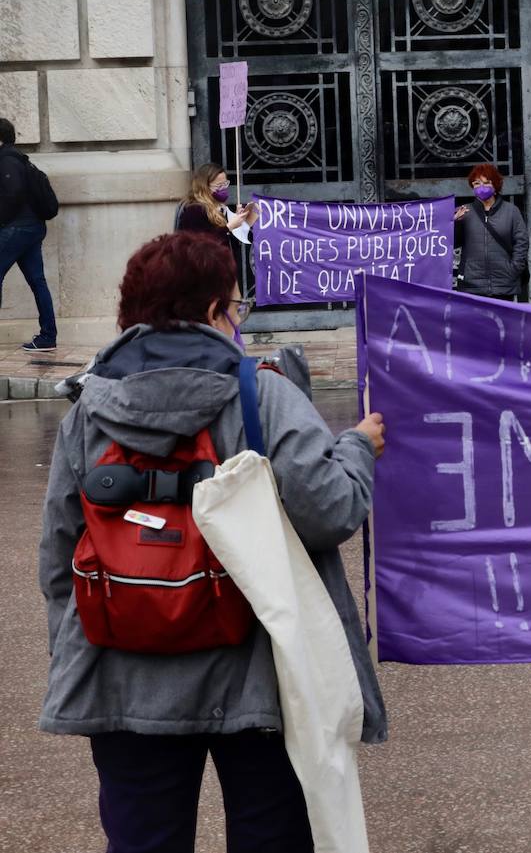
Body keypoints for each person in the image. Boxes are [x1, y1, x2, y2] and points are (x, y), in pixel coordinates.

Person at [38, 232, 388, 852]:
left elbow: (59, 557)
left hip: (123, 673)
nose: (238, 320)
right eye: (235, 306)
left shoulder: (88, 411)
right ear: (210, 312)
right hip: (257, 675)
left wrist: (80, 649)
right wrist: (357, 447)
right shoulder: (264, 395)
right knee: (271, 835)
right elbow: (332, 509)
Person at [0, 117, 58, 351]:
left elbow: (13, 193)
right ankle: (48, 336)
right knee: (37, 281)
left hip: (18, 228)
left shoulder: (6, 160)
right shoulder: (20, 159)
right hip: (32, 228)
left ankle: (48, 335)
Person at [175, 163, 257, 293]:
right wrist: (229, 227)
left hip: (221, 274)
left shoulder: (220, 210)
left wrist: (241, 222)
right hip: (203, 278)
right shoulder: (194, 211)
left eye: (225, 184)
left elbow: (228, 244)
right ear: (204, 187)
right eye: (219, 186)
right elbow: (200, 244)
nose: (224, 189)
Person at [454, 163, 529, 302]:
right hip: (472, 285)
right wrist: (454, 223)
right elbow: (450, 243)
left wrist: (513, 269)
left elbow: (521, 242)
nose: (481, 187)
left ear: (495, 186)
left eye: (486, 183)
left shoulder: (511, 211)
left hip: (504, 285)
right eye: (476, 183)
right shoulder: (464, 212)